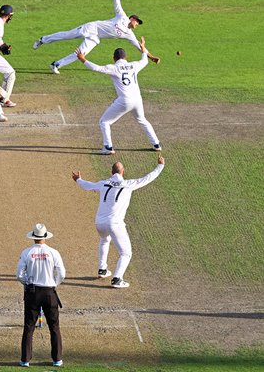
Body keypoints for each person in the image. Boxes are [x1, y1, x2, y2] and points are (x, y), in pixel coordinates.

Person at [72, 155, 165, 288]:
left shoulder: (103, 183)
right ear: (123, 172)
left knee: (104, 240)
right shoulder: (128, 184)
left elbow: (88, 186)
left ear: (111, 172)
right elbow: (147, 178)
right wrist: (160, 166)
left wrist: (78, 180)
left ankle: (102, 270)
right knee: (126, 253)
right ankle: (117, 279)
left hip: (99, 222)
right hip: (115, 223)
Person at [33, 0, 160, 74]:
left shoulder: (129, 34)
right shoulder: (122, 16)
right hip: (91, 28)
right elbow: (117, 2)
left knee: (80, 54)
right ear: (131, 18)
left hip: (95, 38)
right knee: (67, 35)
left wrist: (151, 57)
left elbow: (140, 47)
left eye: (138, 23)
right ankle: (42, 39)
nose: (137, 24)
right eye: (137, 21)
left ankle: (56, 65)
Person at [76, 36, 161, 154]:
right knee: (142, 120)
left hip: (124, 100)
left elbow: (97, 68)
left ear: (113, 58)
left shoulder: (114, 68)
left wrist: (83, 59)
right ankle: (156, 144)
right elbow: (145, 60)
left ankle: (108, 147)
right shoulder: (134, 65)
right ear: (126, 57)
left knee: (104, 122)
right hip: (137, 99)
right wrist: (143, 49)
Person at [16, 223, 65, 368]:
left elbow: (19, 274)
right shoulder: (53, 252)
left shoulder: (26, 252)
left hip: (32, 292)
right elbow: (62, 273)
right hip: (49, 292)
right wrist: (53, 284)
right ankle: (57, 359)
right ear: (45, 237)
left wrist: (27, 283)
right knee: (54, 326)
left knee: (29, 326)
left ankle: (25, 360)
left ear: (33, 237)